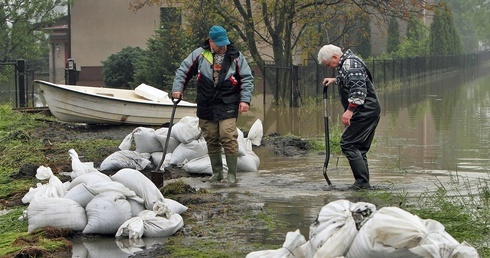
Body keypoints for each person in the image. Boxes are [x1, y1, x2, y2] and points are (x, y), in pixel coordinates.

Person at [171, 25, 254, 184]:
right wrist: (177, 89)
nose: (223, 47)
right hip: (206, 102)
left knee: (228, 135)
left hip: (227, 101)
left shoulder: (235, 56)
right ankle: (217, 174)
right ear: (211, 42)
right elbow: (183, 71)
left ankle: (231, 175)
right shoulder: (199, 54)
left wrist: (244, 100)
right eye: (219, 44)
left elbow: (247, 78)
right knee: (211, 137)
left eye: (225, 43)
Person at [317, 44, 381, 190]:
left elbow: (358, 90)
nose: (329, 67)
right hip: (370, 110)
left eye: (329, 64)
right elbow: (353, 79)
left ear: (334, 57)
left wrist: (350, 111)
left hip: (364, 111)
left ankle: (362, 183)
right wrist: (336, 79)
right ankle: (363, 183)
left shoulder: (350, 64)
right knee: (359, 148)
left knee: (348, 144)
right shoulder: (348, 62)